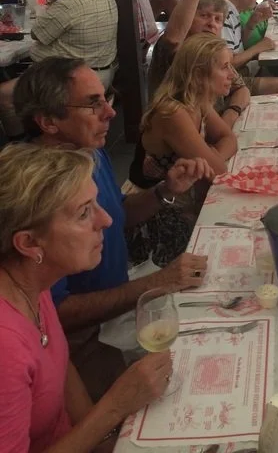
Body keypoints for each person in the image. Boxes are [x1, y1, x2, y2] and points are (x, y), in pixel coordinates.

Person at [13, 57, 210, 399]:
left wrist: (165, 191)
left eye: (107, 98)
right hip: (83, 340)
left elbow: (116, 216)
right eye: (93, 104)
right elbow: (56, 313)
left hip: (122, 305)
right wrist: (157, 283)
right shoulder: (34, 194)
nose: (111, 113)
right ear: (47, 121)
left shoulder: (88, 151)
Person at [0, 142, 172, 452]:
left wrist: (106, 438)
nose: (106, 220)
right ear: (28, 243)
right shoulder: (6, 347)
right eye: (84, 213)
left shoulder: (31, 284)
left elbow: (62, 366)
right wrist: (114, 407)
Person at [0, 0, 119, 139]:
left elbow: (37, 33)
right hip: (101, 70)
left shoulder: (71, 2)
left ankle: (22, 144)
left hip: (69, 77)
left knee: (4, 95)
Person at [141, 34, 238, 182]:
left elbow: (229, 138)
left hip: (188, 193)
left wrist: (215, 156)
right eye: (224, 67)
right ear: (198, 75)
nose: (232, 74)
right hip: (161, 200)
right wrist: (213, 160)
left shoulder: (198, 100)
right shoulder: (173, 113)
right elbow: (217, 170)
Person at [222, 0, 278, 95]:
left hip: (240, 71)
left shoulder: (232, 10)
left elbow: (239, 47)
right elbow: (227, 65)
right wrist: (259, 47)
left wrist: (251, 24)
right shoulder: (222, 14)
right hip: (228, 80)